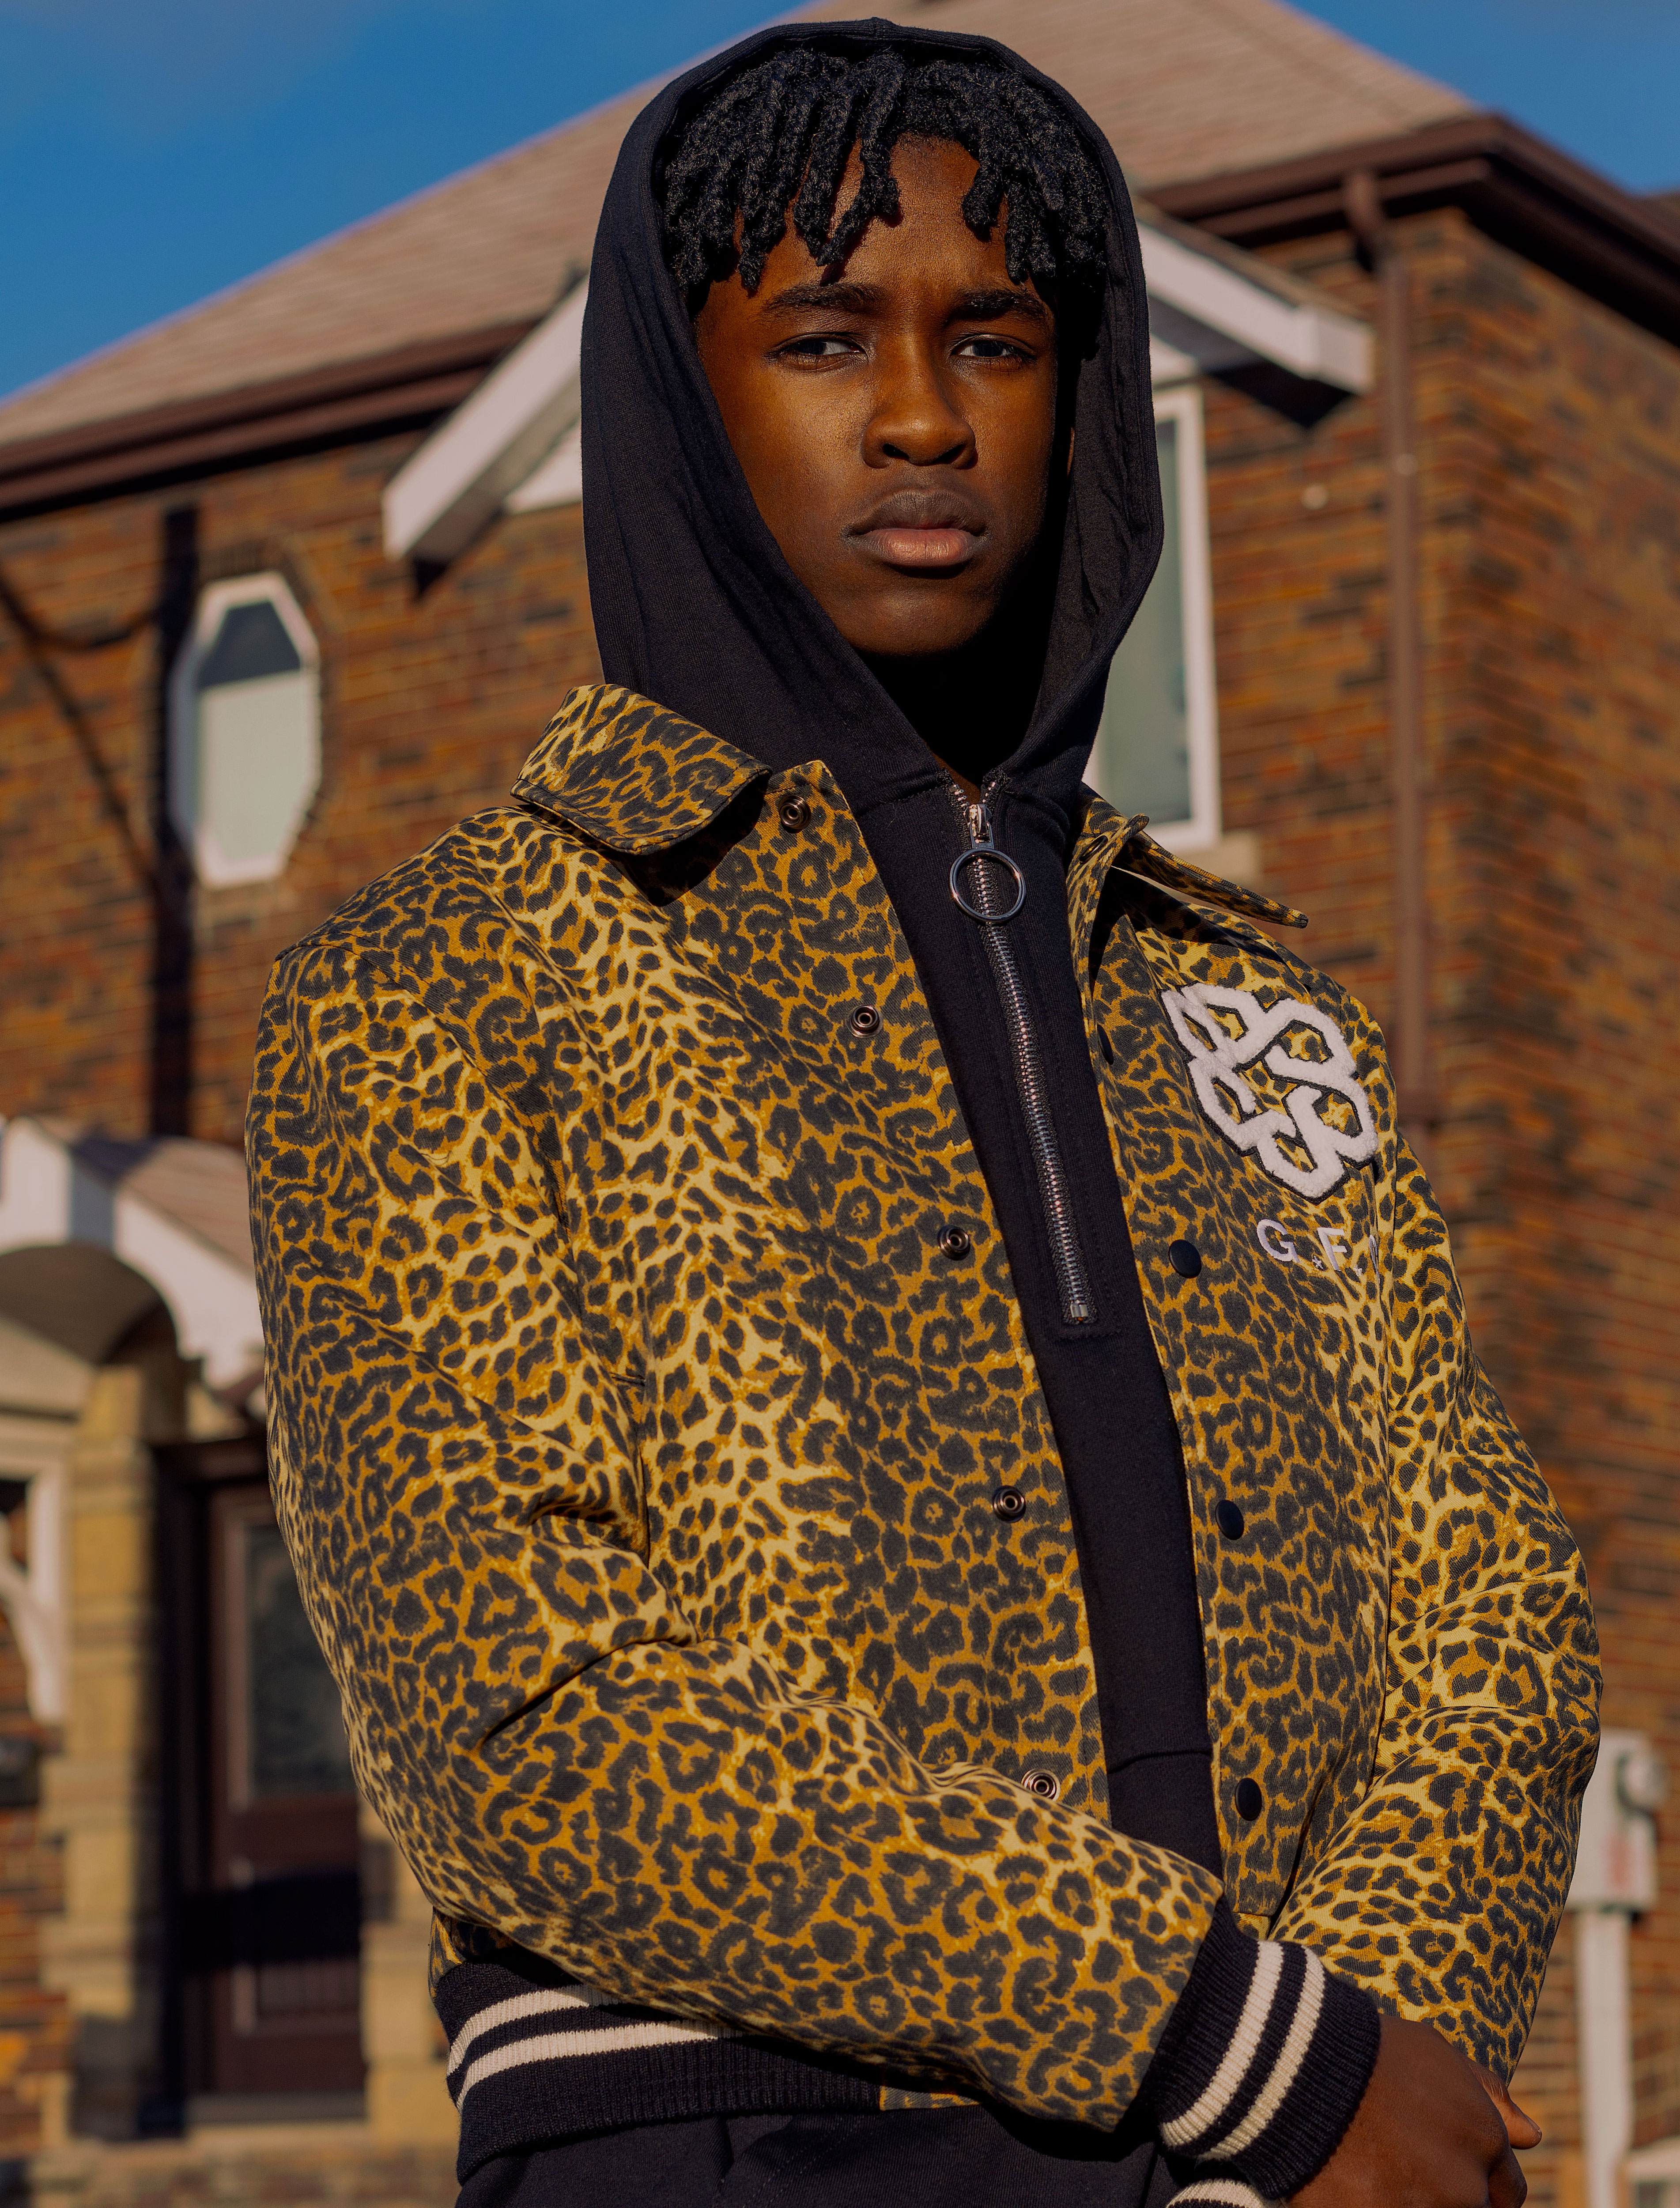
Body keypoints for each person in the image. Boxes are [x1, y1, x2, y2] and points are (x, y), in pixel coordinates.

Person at [246, 19, 1601, 2208]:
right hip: (729, 2136)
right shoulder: (452, 979)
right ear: (683, 398)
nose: (919, 414)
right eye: (820, 336)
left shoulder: (1248, 1002)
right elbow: (522, 1710)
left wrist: (1351, 2076)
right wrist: (1220, 2031)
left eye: (994, 337)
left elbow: (1490, 1605)